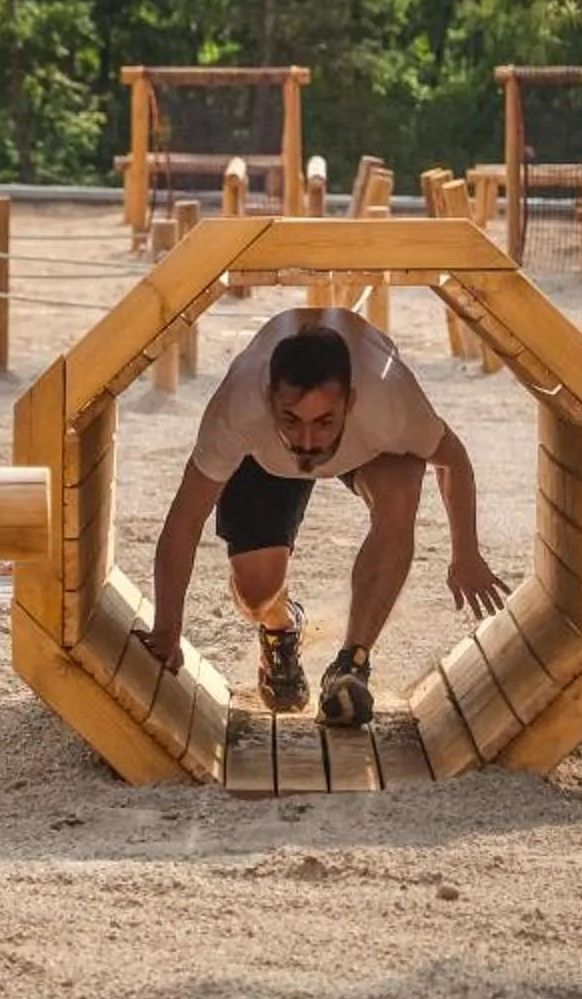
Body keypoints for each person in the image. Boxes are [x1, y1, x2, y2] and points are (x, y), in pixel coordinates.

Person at [136, 306, 507, 728]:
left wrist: (466, 554)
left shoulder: (389, 403)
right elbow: (183, 522)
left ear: (350, 401)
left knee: (403, 489)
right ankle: (281, 628)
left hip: (368, 449)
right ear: (269, 397)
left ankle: (352, 663)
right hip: (266, 459)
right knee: (257, 593)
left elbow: (452, 459)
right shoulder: (237, 411)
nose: (307, 441)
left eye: (323, 421)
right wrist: (167, 627)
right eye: (291, 419)